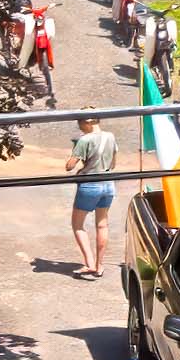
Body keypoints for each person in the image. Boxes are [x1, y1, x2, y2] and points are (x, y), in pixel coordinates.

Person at [65, 115, 117, 279]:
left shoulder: (84, 140)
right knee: (102, 224)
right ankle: (99, 266)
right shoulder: (110, 136)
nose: (79, 124)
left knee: (78, 225)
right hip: (108, 183)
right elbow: (113, 164)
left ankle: (89, 263)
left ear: (87, 122)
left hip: (90, 185)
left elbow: (69, 166)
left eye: (80, 121)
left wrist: (76, 154)